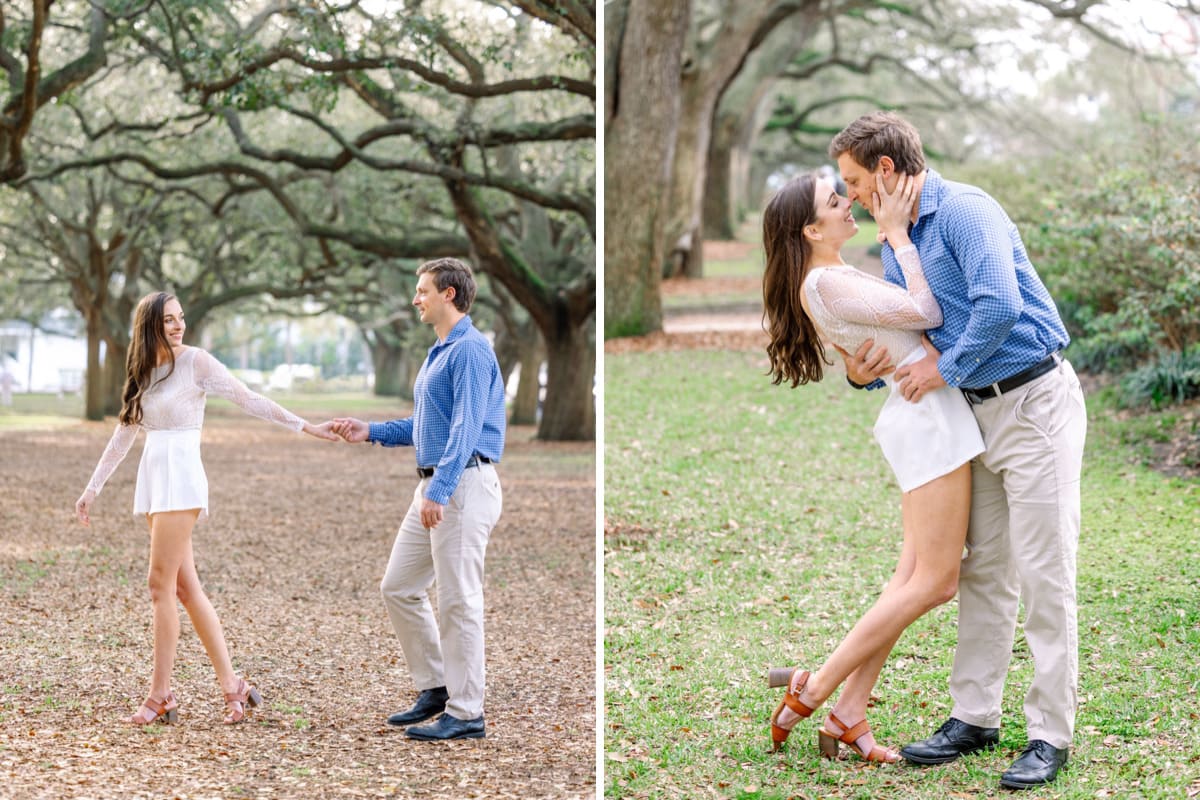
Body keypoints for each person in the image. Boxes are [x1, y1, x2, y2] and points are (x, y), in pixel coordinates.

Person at [828, 111, 1087, 790]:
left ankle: (1049, 733)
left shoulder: (967, 210)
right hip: (973, 415)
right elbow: (917, 334)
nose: (849, 193)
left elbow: (997, 307)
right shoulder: (896, 239)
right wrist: (868, 370)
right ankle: (975, 716)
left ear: (885, 170)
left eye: (854, 180)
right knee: (984, 569)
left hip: (1033, 404)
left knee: (1044, 572)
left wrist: (941, 370)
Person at [761, 171, 985, 764]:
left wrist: (867, 368)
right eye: (836, 203)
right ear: (812, 229)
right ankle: (813, 689)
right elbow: (925, 309)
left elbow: (866, 354)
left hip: (922, 412)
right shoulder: (827, 282)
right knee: (936, 581)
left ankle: (848, 713)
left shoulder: (821, 282)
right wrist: (897, 236)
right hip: (927, 415)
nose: (848, 204)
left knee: (911, 576)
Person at [74, 291, 338, 725]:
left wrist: (306, 427)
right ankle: (233, 685)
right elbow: (123, 434)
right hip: (155, 479)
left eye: (181, 319)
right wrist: (92, 488)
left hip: (181, 479)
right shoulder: (143, 371)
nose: (178, 326)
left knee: (159, 585)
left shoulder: (196, 362)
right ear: (149, 326)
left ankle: (160, 694)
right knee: (184, 589)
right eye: (168, 320)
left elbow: (248, 398)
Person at [331, 257, 505, 742]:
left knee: (459, 602)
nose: (416, 299)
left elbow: (466, 428)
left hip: (463, 486)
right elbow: (425, 425)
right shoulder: (440, 350)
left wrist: (441, 489)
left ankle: (467, 712)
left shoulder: (469, 350)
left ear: (449, 294)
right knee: (399, 586)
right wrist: (371, 431)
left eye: (423, 290)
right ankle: (436, 685)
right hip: (436, 484)